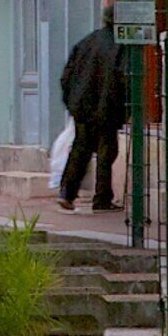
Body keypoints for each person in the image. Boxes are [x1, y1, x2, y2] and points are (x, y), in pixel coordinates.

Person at [58, 15, 133, 212]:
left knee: (80, 149)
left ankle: (67, 193)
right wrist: (127, 108)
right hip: (107, 107)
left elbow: (67, 76)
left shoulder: (87, 42)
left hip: (83, 106)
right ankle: (102, 198)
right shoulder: (121, 46)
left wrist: (72, 102)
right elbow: (125, 78)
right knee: (106, 152)